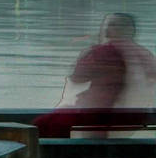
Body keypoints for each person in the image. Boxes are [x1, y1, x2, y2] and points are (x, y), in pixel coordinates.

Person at [37, 12, 156, 140]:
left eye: (112, 25)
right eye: (108, 25)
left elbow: (78, 77)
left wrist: (88, 52)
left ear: (127, 29)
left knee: (42, 125)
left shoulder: (103, 51)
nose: (106, 29)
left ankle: (55, 155)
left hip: (102, 115)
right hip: (138, 117)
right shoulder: (145, 54)